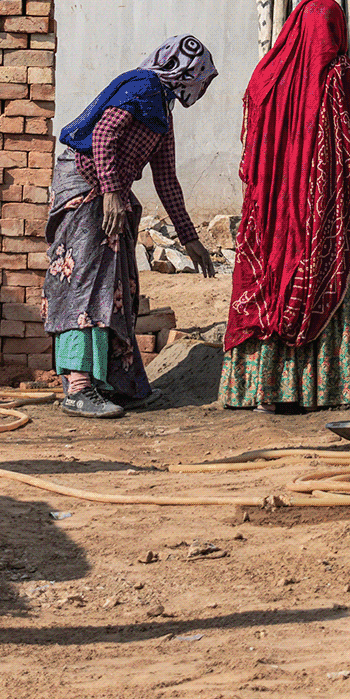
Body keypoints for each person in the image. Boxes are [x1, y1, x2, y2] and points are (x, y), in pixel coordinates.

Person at [220, 0, 350, 412]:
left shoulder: (265, 77)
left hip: (270, 213)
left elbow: (252, 149)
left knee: (269, 282)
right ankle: (326, 388)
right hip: (326, 211)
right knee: (328, 279)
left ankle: (262, 391)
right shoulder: (340, 78)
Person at [44, 35, 218, 419]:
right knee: (84, 285)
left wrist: (189, 238)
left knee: (116, 290)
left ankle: (118, 386)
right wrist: (110, 192)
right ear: (183, 69)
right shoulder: (143, 85)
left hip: (109, 192)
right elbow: (104, 134)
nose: (201, 87)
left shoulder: (162, 109)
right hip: (85, 186)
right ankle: (78, 388)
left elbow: (166, 180)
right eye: (200, 77)